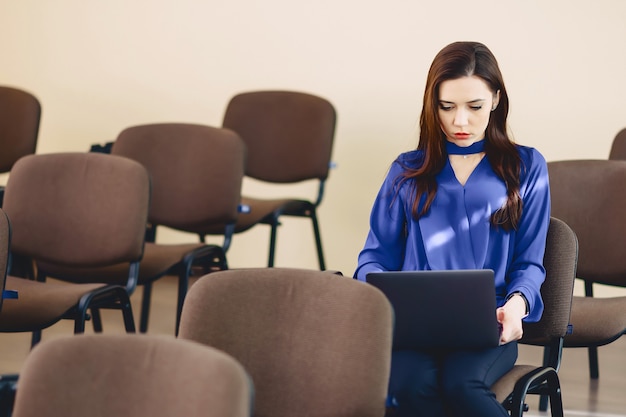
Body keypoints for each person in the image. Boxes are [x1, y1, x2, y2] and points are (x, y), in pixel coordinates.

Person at [354, 41, 550, 416]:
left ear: (495, 99)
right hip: (413, 326)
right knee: (408, 388)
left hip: (488, 322)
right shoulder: (406, 170)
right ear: (433, 106)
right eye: (447, 107)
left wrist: (517, 304)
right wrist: (379, 290)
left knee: (461, 385)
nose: (460, 121)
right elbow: (374, 257)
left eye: (474, 107)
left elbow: (530, 261)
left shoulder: (526, 166)